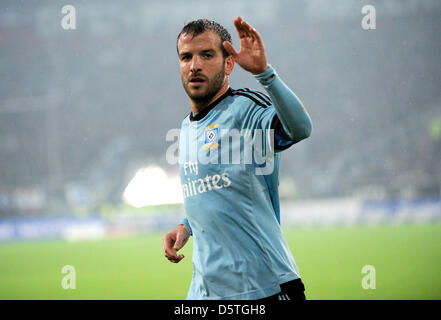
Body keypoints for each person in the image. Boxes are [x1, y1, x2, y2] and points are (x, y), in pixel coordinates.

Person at [162, 17, 312, 300]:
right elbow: (216, 188)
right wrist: (187, 225)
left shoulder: (245, 111)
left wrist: (265, 74)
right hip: (206, 292)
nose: (195, 65)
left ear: (228, 63)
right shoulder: (185, 127)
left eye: (207, 55)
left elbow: (300, 129)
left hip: (263, 287)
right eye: (186, 57)